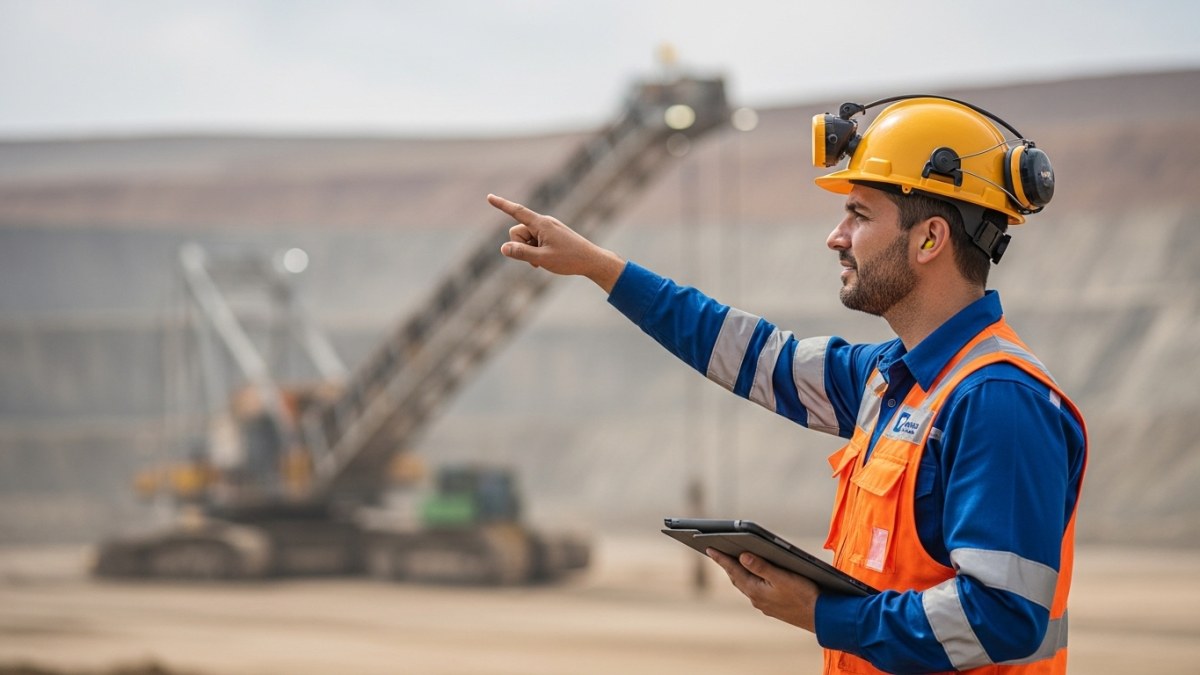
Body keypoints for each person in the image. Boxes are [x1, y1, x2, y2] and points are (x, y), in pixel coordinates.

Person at [487, 95, 1086, 674]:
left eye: (859, 213)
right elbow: (749, 353)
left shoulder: (998, 401)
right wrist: (599, 266)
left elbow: (1003, 617)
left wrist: (825, 614)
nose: (836, 236)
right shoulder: (893, 379)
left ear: (930, 238)